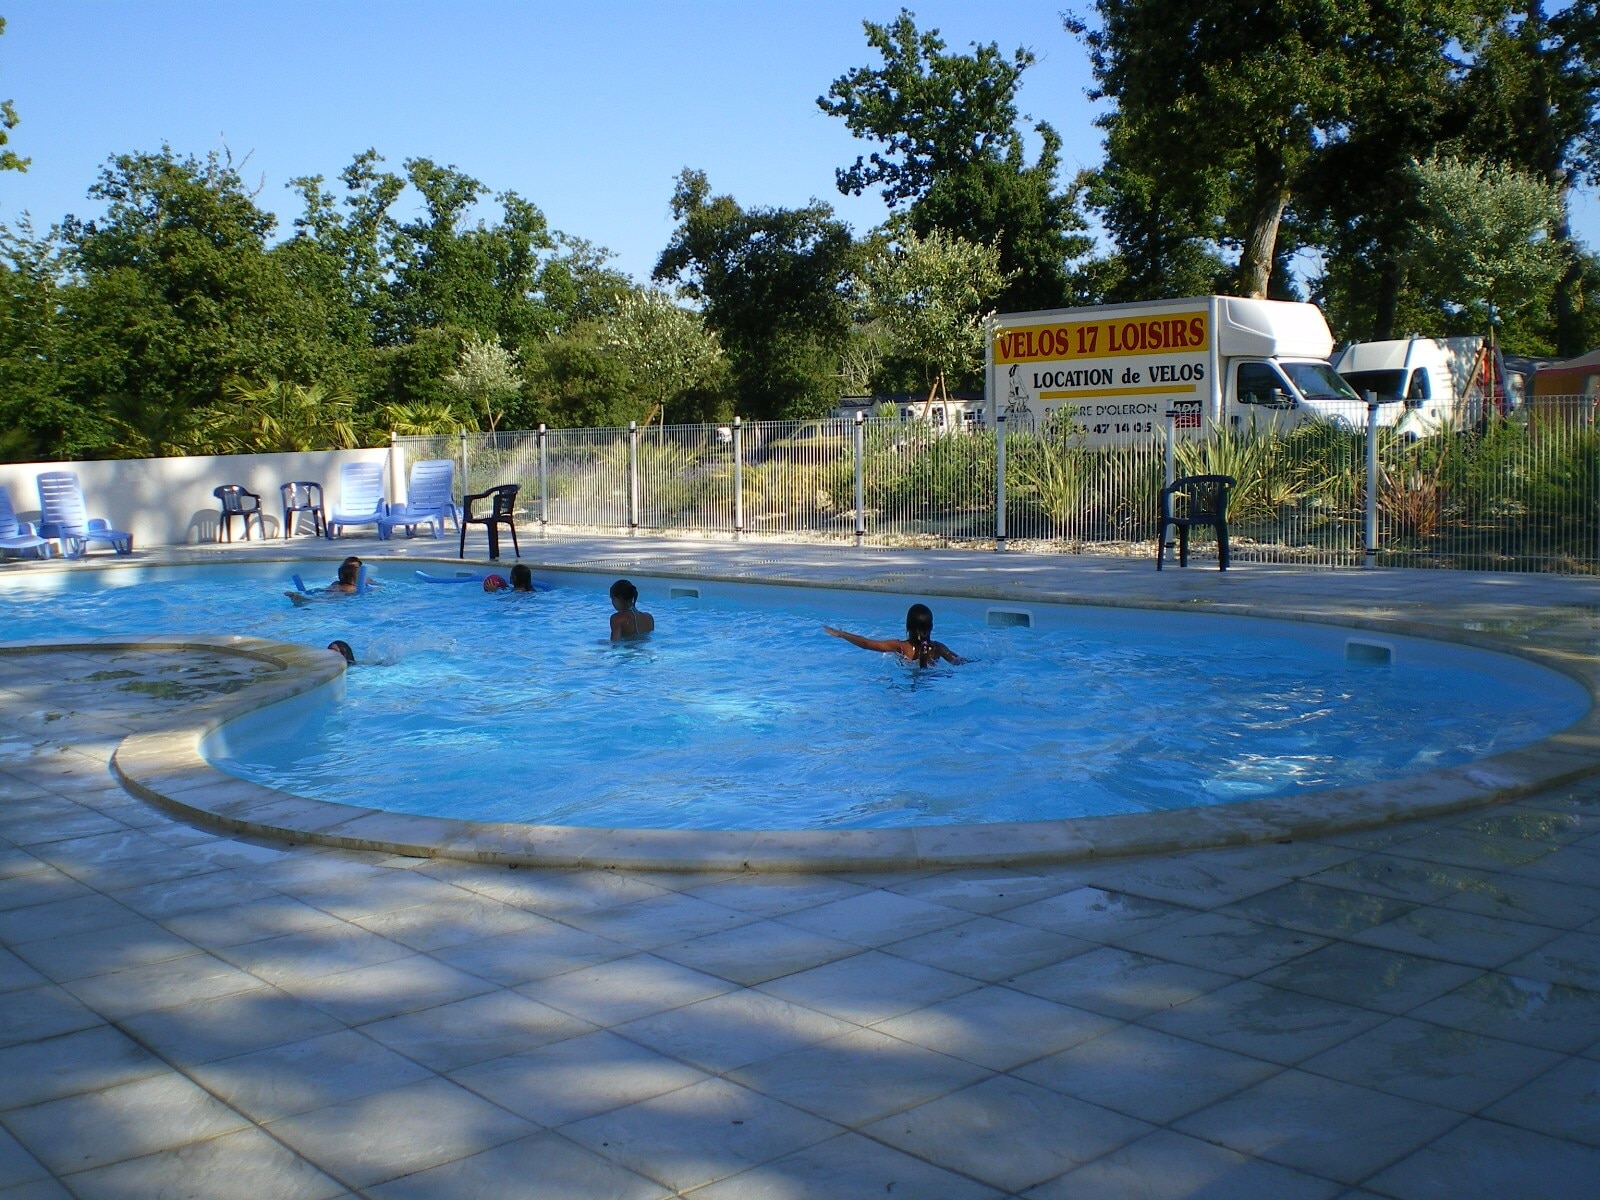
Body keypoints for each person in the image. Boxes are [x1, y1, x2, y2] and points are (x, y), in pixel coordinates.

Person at [824, 603, 964, 667]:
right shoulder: (938, 648)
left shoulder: (901, 647)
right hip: (934, 683)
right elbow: (959, 661)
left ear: (907, 627)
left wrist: (842, 634)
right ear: (931, 627)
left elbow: (866, 644)